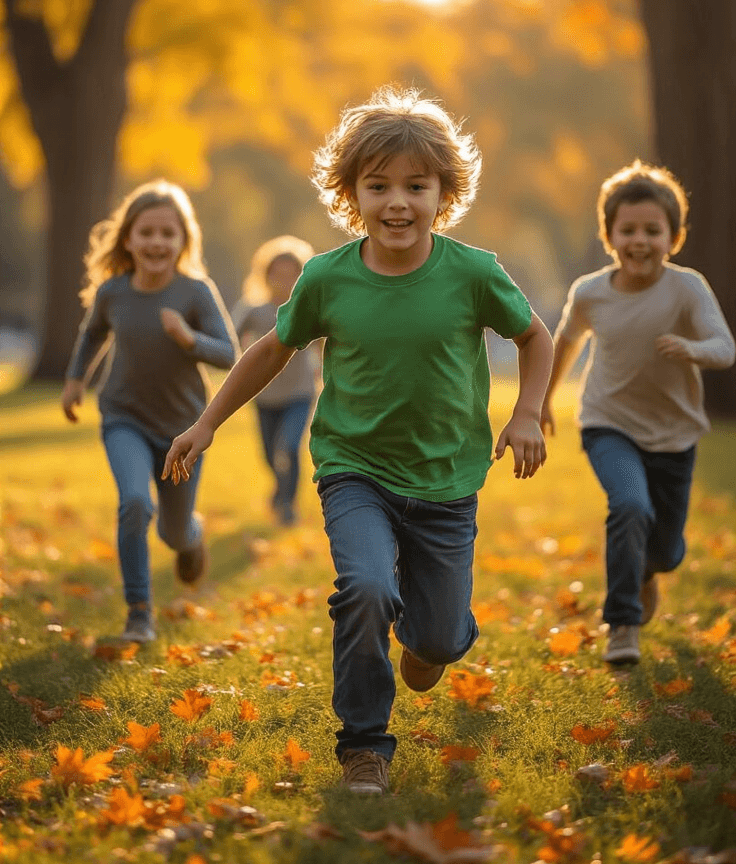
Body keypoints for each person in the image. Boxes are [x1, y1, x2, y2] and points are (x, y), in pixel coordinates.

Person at [163, 87, 553, 796]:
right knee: (367, 588)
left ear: (445, 192)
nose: (397, 202)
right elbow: (268, 351)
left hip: (446, 480)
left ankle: (433, 638)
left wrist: (527, 412)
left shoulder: (473, 273)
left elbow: (534, 335)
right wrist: (206, 422)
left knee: (436, 640)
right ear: (351, 194)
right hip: (355, 470)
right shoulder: (327, 278)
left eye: (415, 185)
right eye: (378, 186)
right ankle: (365, 746)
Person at [541, 160, 735, 667]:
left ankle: (646, 570)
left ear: (673, 235)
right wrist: (542, 399)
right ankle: (622, 625)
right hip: (609, 424)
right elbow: (566, 340)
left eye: (653, 230)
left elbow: (724, 347)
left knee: (667, 552)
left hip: (674, 435)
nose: (640, 241)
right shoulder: (591, 293)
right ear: (610, 236)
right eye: (628, 230)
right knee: (629, 506)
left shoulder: (687, 288)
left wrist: (693, 349)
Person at [61, 180, 238, 643]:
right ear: (128, 239)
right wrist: (76, 380)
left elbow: (229, 353)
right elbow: (92, 334)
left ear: (183, 241)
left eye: (168, 233)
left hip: (183, 430)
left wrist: (188, 339)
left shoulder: (196, 292)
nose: (157, 242)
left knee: (173, 533)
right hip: (124, 417)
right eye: (147, 232)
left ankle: (191, 536)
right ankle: (139, 612)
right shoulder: (113, 292)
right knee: (135, 503)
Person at [231, 237, 318, 526]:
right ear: (265, 275)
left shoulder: (308, 307)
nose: (284, 280)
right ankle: (280, 488)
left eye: (291, 274)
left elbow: (325, 343)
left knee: (290, 447)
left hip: (300, 392)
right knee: (270, 453)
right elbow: (230, 337)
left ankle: (287, 505)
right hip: (264, 394)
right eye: (277, 274)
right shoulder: (254, 310)